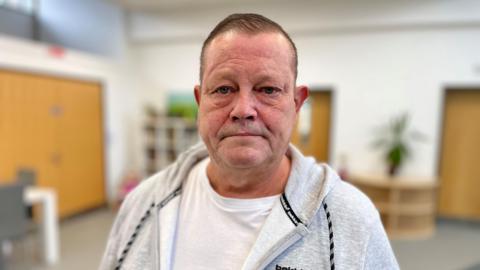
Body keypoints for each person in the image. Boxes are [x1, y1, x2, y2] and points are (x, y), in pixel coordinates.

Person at [100, 13, 399, 270]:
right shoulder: (143, 203)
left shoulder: (351, 221)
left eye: (267, 89)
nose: (243, 109)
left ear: (296, 104)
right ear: (199, 101)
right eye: (223, 89)